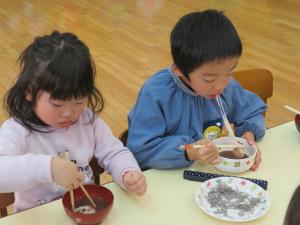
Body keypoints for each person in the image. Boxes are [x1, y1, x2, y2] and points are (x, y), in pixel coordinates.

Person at [0, 31, 146, 212]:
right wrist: (49, 168)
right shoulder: (18, 131)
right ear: (29, 92)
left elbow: (114, 152)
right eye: (57, 104)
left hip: (85, 210)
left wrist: (128, 172)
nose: (69, 113)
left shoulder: (88, 121)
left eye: (79, 101)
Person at [126, 10, 266, 170]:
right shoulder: (157, 93)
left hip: (212, 173)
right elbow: (141, 151)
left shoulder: (226, 86)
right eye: (209, 79)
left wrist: (248, 135)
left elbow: (251, 111)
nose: (221, 85)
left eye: (229, 72)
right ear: (179, 69)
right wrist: (189, 152)